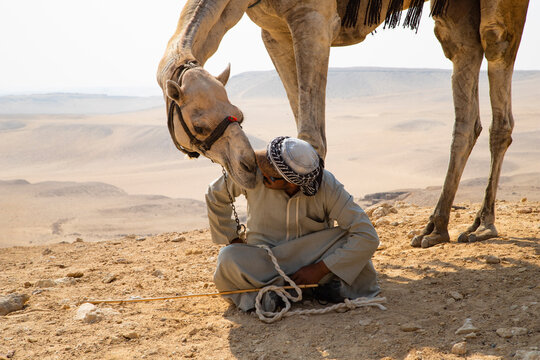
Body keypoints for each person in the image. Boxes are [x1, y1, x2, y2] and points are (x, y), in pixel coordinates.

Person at [205, 136, 380, 312]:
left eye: (271, 177)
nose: (263, 174)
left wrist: (319, 269)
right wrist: (233, 239)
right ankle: (285, 293)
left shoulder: (327, 185)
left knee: (354, 239)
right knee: (228, 257)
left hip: (314, 258)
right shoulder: (254, 172)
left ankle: (291, 290)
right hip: (265, 261)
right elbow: (215, 194)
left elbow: (367, 235)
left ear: (292, 184)